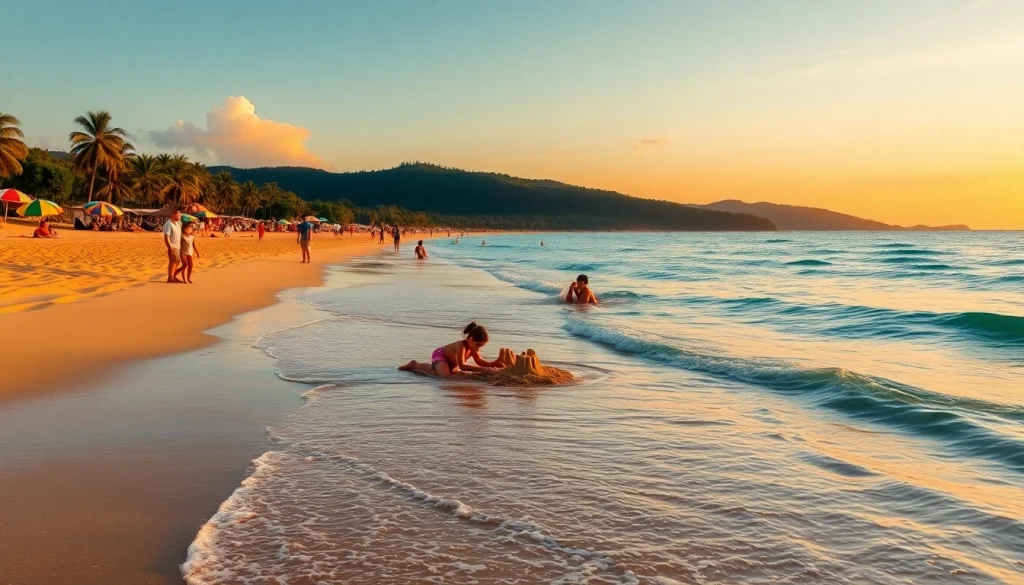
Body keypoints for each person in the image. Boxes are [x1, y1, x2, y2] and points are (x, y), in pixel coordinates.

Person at [399, 322, 506, 378]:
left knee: (452, 372)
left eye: (482, 346)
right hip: (440, 355)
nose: (479, 348)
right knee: (444, 376)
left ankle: (441, 368)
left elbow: (480, 362)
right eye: (478, 345)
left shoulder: (474, 348)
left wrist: (492, 364)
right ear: (470, 339)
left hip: (451, 363)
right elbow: (462, 366)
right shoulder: (461, 346)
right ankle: (415, 365)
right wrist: (482, 370)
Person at [163, 210, 183, 283]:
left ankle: (172, 276)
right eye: (178, 215)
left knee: (177, 261)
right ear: (173, 215)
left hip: (178, 245)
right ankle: (170, 277)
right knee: (173, 261)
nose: (179, 217)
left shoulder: (178, 223)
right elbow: (166, 236)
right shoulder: (169, 223)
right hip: (172, 245)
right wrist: (169, 246)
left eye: (180, 215)